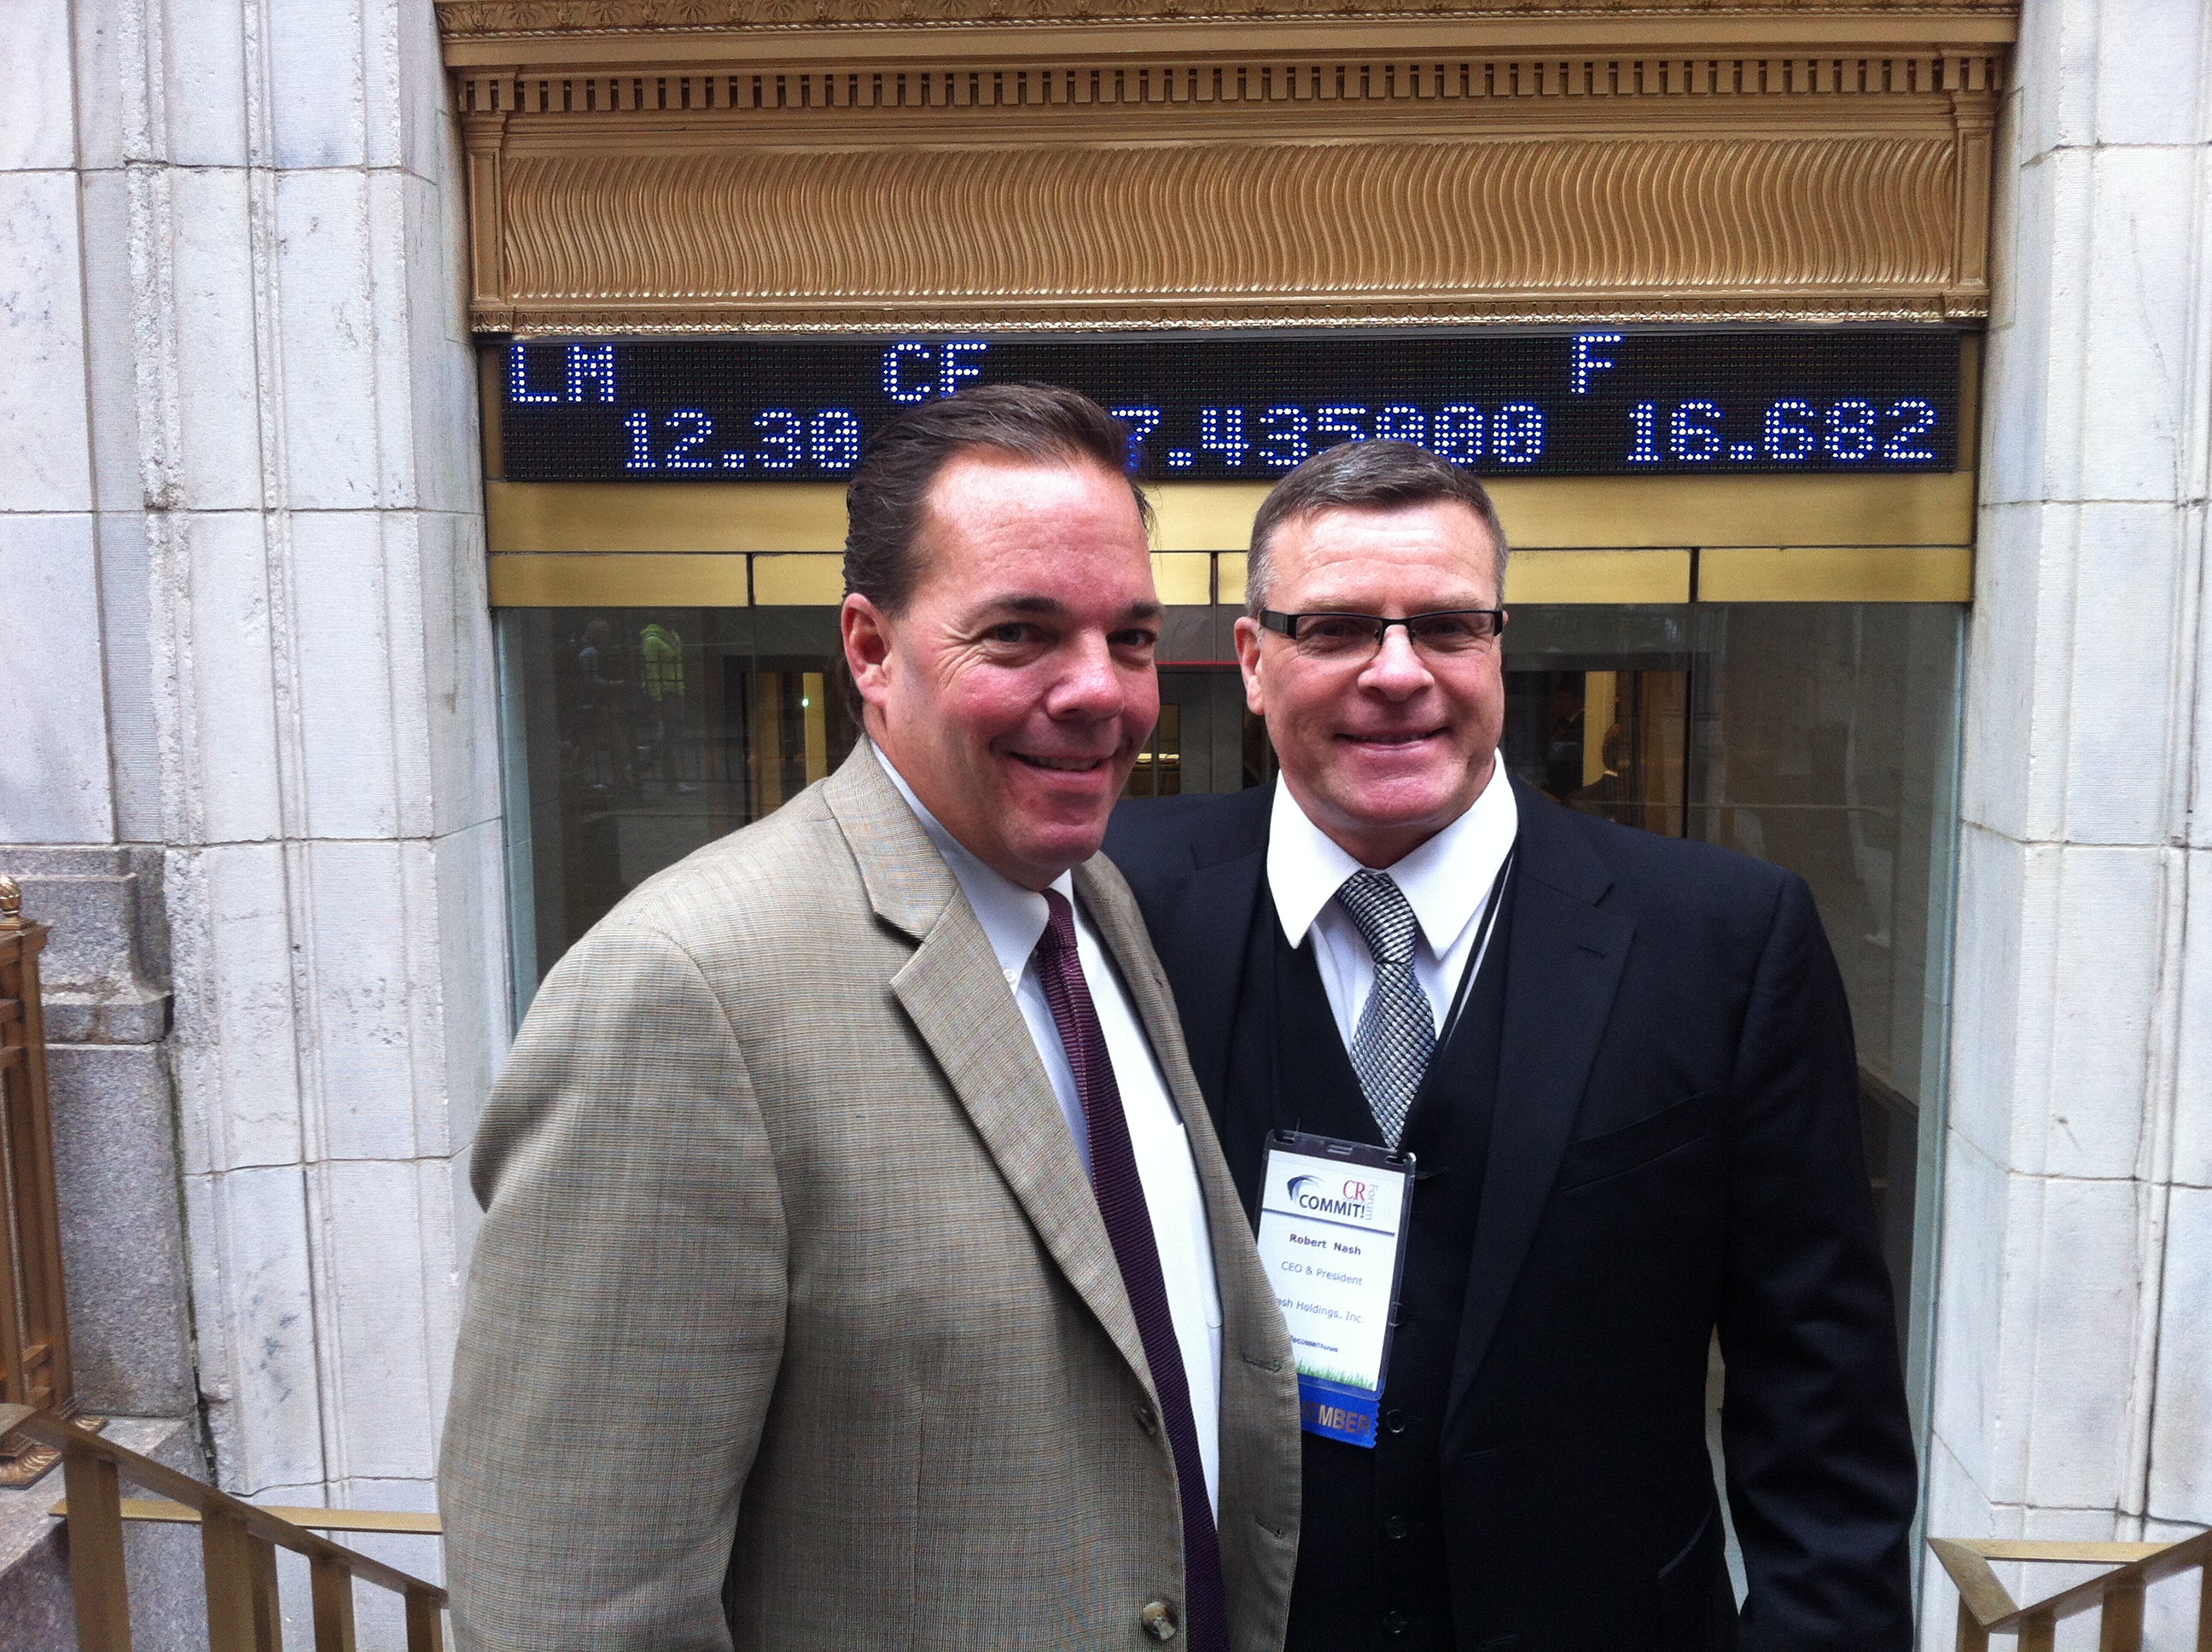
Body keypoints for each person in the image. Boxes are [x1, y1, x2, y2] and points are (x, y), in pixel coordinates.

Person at [441, 385, 1301, 1650]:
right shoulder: (680, 998)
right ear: (868, 647)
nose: (1101, 693)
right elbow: (573, 1611)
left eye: (1129, 637)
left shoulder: (1096, 903)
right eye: (1018, 634)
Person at [1104, 439, 1917, 1652]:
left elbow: (1821, 1411)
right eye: (1334, 629)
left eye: (1445, 625)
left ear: (1499, 646)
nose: (1397, 674)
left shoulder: (1725, 942)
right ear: (1252, 661)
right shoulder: (1113, 904)